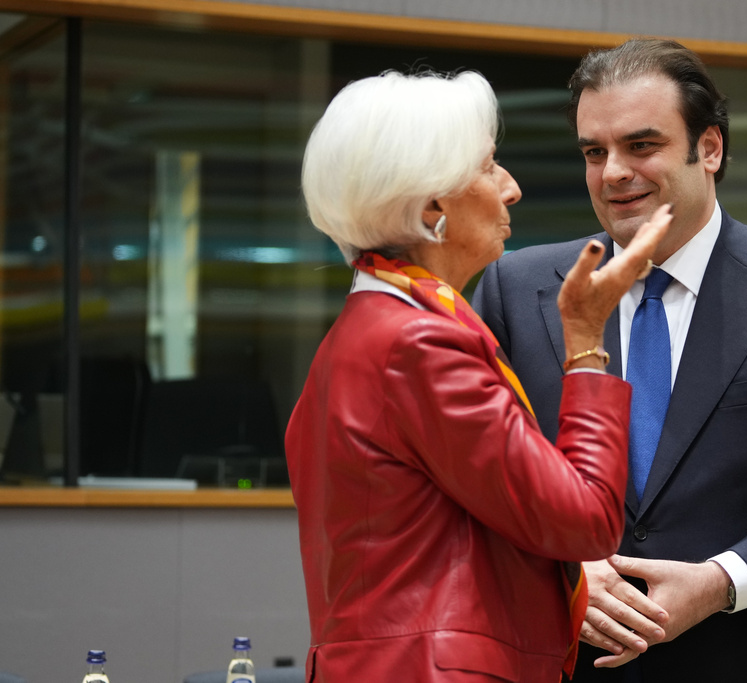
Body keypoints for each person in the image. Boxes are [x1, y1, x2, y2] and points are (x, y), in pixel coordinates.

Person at [473, 38, 747, 682]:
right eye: (595, 151)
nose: (613, 171)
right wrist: (560, 570)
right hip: (562, 658)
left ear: (710, 148)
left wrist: (722, 582)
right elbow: (476, 480)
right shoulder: (516, 287)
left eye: (641, 145)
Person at [285, 68, 672, 682]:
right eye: (490, 167)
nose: (511, 188)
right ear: (434, 205)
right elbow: (585, 522)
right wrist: (585, 347)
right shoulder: (420, 342)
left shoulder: (367, 327)